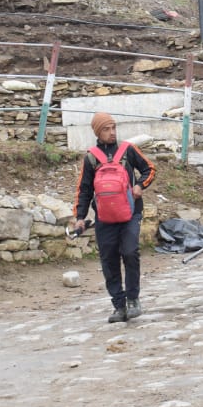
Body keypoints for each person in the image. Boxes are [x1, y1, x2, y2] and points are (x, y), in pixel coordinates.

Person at [72, 112, 157, 323]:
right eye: (106, 129)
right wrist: (80, 217)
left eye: (113, 128)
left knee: (130, 252)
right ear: (97, 132)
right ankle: (119, 306)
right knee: (108, 260)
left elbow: (149, 169)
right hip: (104, 217)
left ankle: (133, 300)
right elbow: (84, 190)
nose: (112, 133)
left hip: (130, 212)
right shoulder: (91, 157)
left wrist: (139, 185)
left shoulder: (128, 150)